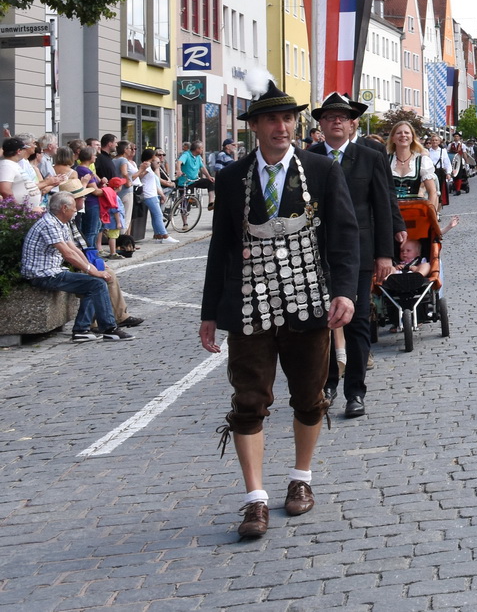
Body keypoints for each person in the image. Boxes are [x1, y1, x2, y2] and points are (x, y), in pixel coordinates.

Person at [198, 82, 359, 540]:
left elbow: (345, 237)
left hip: (309, 300)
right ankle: (254, 500)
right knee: (248, 399)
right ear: (254, 127)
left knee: (309, 396)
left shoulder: (322, 170)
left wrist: (344, 291)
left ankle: (301, 478)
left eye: (288, 118)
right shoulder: (232, 178)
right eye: (271, 119)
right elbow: (221, 247)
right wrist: (211, 311)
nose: (281, 127)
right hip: (250, 303)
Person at [311, 93, 404, 419]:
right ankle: (328, 383)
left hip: (360, 255)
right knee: (321, 322)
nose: (336, 120)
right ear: (321, 124)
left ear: (353, 124)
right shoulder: (308, 158)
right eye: (329, 116)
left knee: (357, 322)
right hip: (317, 255)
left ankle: (355, 392)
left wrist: (385, 254)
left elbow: (383, 204)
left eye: (343, 116)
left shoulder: (370, 156)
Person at [21, 191, 132, 341]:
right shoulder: (49, 224)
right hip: (43, 274)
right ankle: (109, 328)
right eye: (73, 207)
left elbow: (74, 249)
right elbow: (68, 254)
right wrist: (92, 271)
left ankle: (82, 329)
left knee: (93, 284)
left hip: (52, 271)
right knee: (96, 284)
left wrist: (91, 268)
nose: (76, 210)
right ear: (64, 208)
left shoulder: (60, 223)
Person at [136, 148, 168, 241]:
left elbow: (154, 182)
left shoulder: (150, 166)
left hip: (152, 193)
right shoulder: (147, 166)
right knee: (158, 215)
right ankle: (164, 235)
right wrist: (146, 169)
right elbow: (140, 176)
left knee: (155, 215)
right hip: (149, 194)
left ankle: (157, 234)